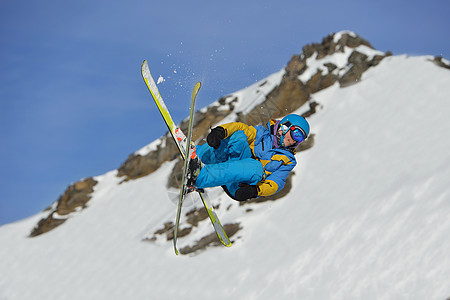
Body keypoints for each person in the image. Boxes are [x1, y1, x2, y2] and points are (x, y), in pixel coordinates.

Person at [186, 114, 310, 201]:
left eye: (300, 139)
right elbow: (242, 129)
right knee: (238, 136)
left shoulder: (287, 161)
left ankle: (198, 178)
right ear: (285, 127)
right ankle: (199, 155)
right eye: (296, 134)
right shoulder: (262, 134)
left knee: (256, 168)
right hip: (230, 164)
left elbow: (276, 183)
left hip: (240, 186)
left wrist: (255, 191)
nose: (295, 141)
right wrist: (222, 131)